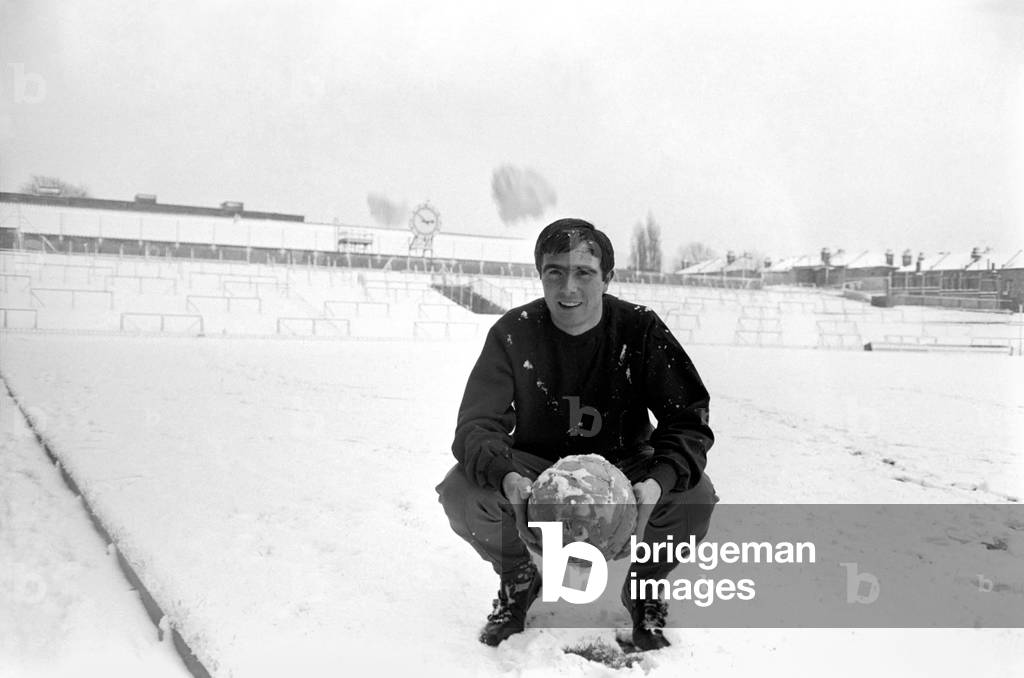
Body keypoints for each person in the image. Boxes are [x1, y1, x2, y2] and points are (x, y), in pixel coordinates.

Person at [436, 218, 717, 649]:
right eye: (556, 271)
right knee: (462, 492)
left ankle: (645, 589)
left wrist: (656, 483)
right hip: (539, 465)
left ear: (607, 278)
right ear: (541, 274)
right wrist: (507, 476)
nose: (569, 287)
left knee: (694, 497)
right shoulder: (513, 332)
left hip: (623, 463)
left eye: (584, 272)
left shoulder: (639, 329)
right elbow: (476, 425)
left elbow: (687, 418)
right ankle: (518, 578)